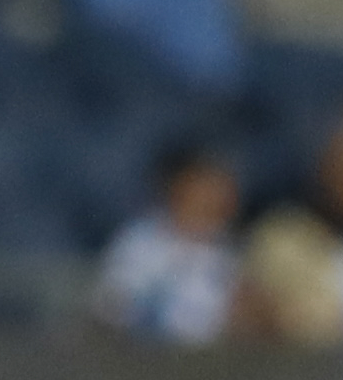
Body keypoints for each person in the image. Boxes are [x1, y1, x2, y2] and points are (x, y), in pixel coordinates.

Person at [95, 135, 253, 346]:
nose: (217, 196)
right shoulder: (140, 243)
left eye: (223, 186)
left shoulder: (233, 251)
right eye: (206, 184)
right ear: (180, 186)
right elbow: (112, 309)